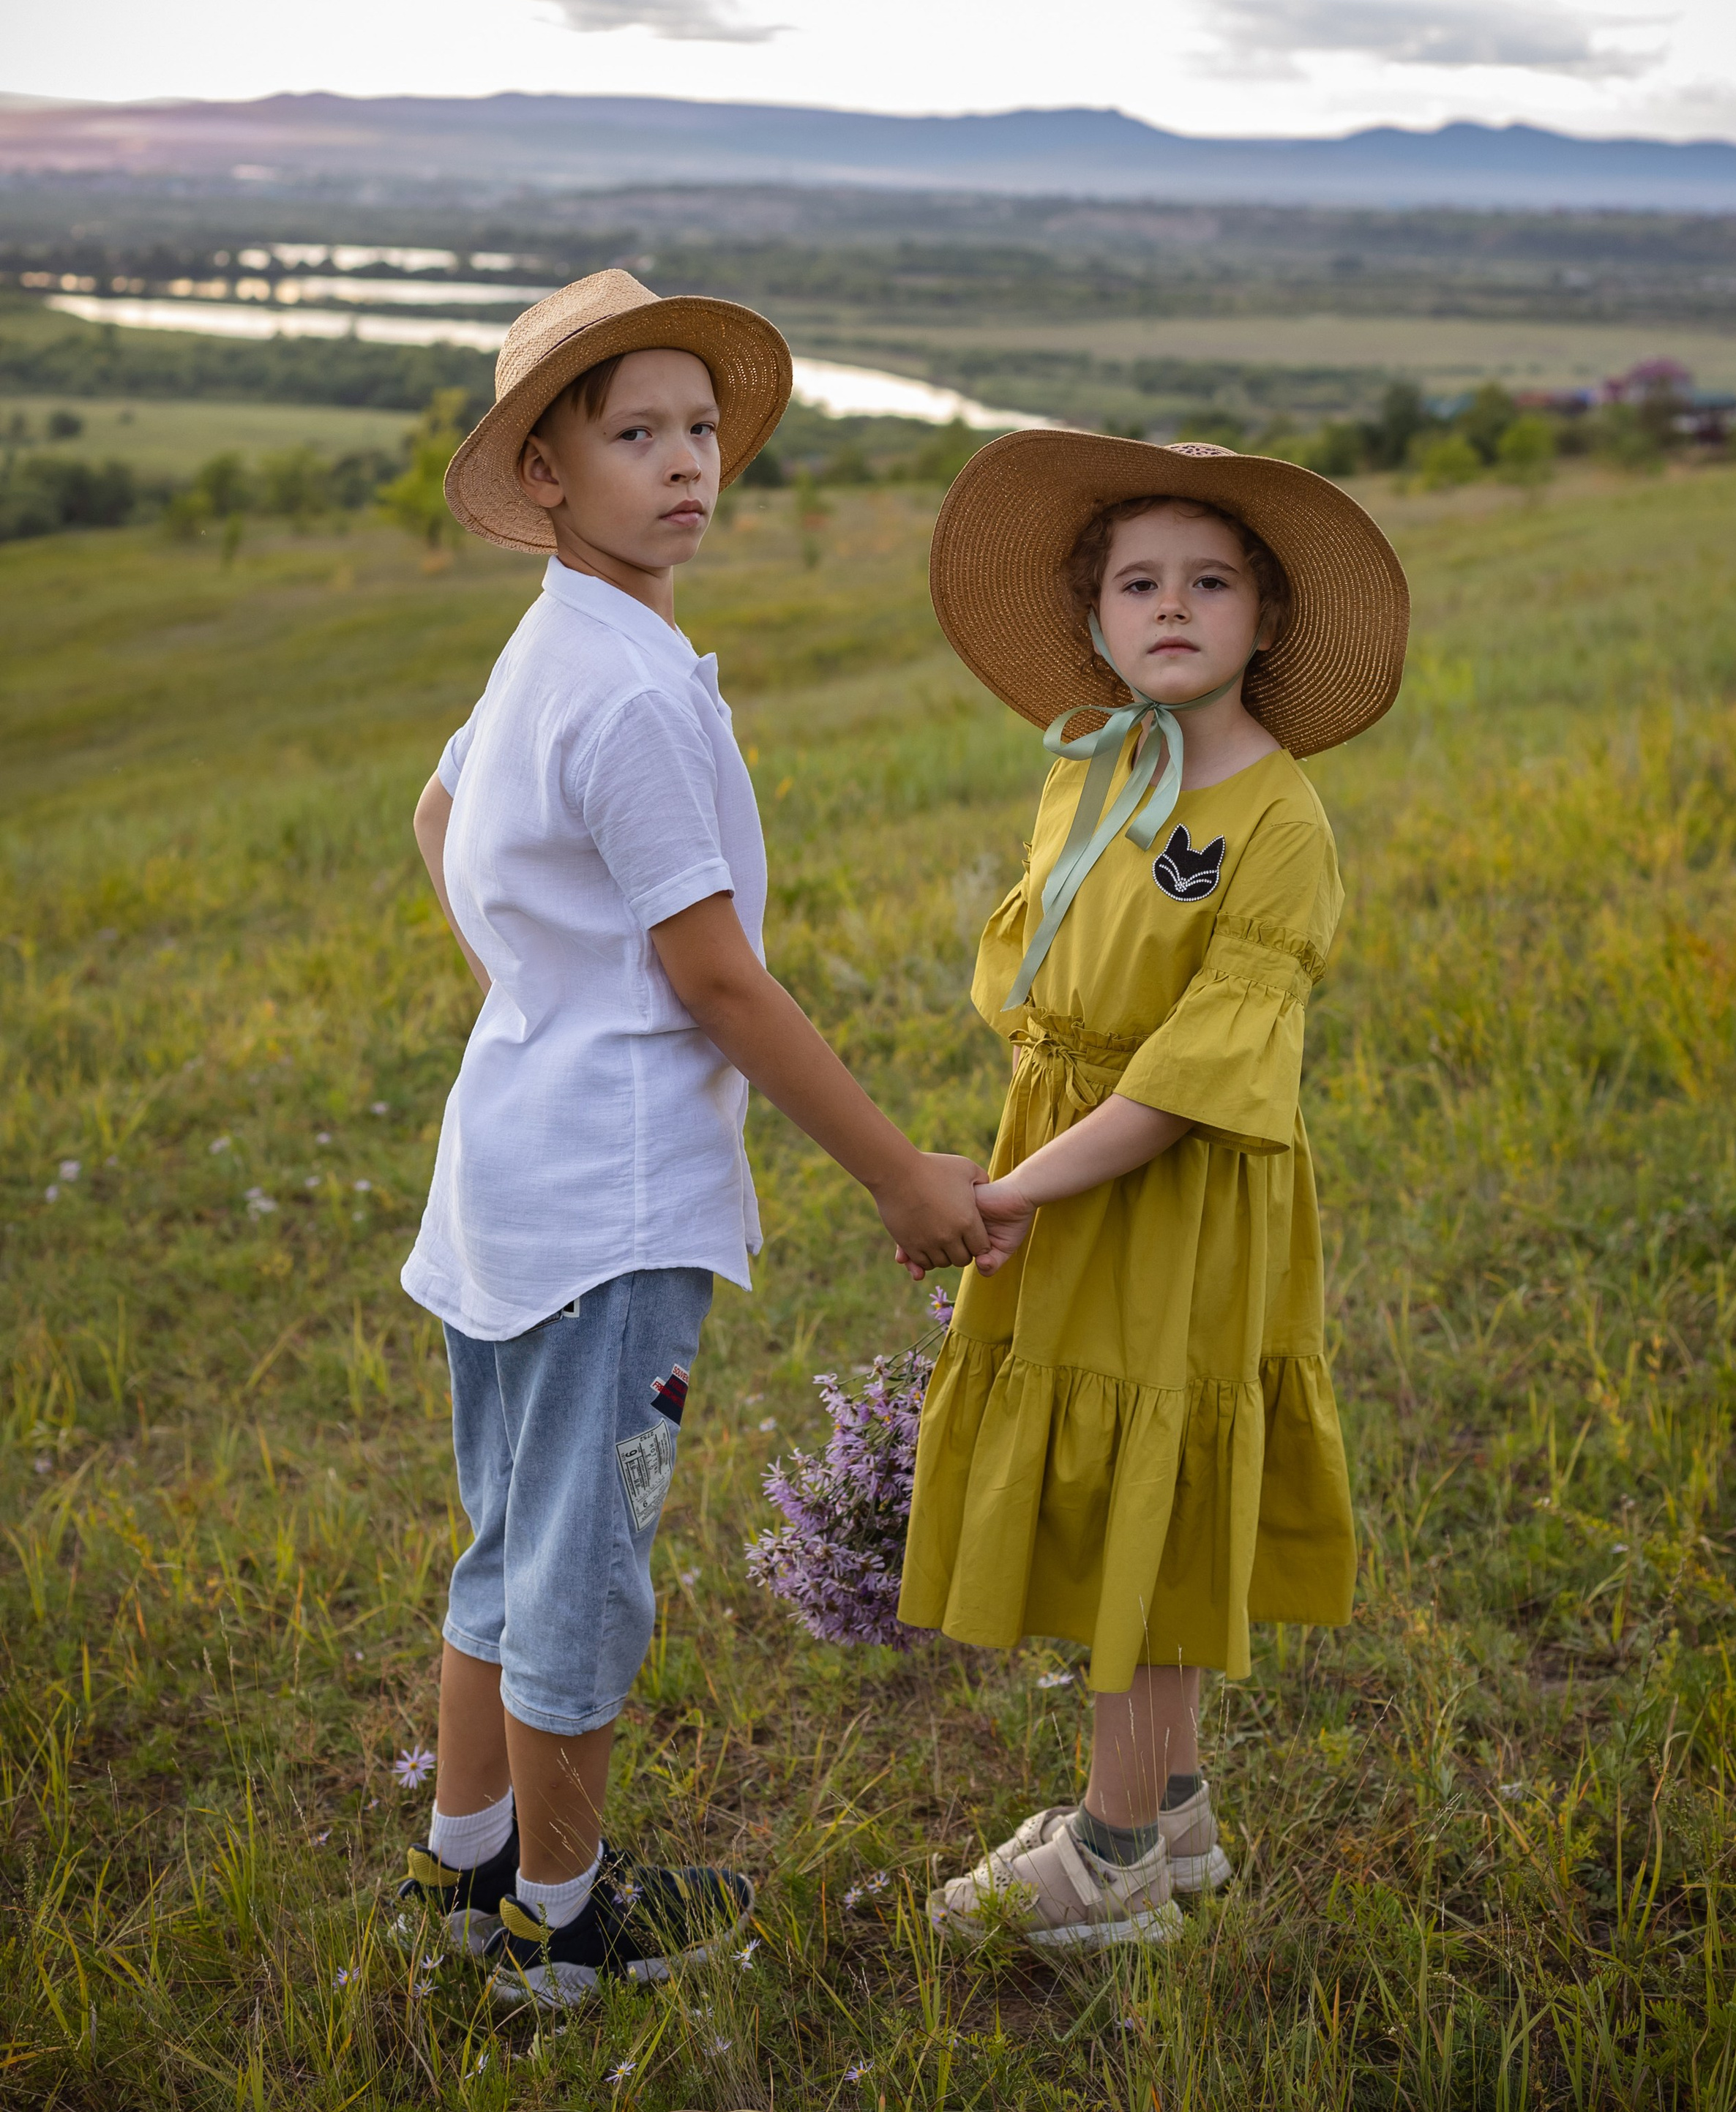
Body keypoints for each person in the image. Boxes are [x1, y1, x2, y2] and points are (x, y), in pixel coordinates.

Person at [396, 267, 988, 2006]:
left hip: (506, 1172)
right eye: (632, 433)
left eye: (699, 430)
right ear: (550, 480)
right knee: (578, 1579)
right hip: (610, 1210)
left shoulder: (555, 649)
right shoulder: (633, 689)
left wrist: (531, 978)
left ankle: (466, 1876)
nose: (684, 464)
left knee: (506, 1541)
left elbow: (437, 816)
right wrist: (901, 1176)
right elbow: (718, 980)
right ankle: (559, 1940)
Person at [897, 430, 1408, 1949]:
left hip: (1164, 1187)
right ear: (1097, 616)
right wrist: (1026, 1162)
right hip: (1068, 1157)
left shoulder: (1276, 819)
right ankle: (1170, 1811)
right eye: (1138, 582)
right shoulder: (1102, 764)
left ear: (1265, 621)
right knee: (1114, 1480)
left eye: (1210, 582)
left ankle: (1111, 1860)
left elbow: (1188, 1080)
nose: (1171, 606)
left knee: (1151, 1502)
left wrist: (1013, 1195)